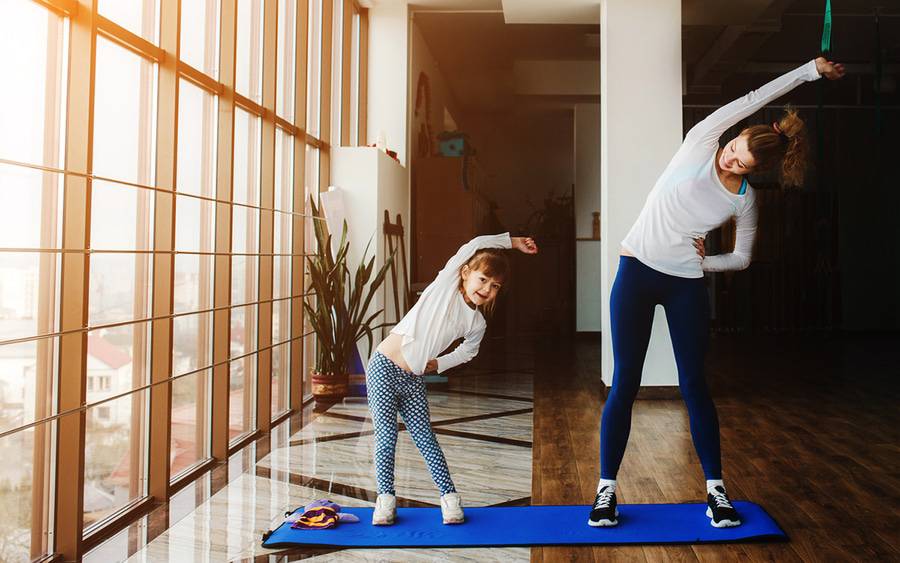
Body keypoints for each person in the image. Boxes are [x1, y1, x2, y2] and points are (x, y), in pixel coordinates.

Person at [589, 57, 845, 529]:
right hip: (637, 272)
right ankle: (606, 492)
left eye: (740, 163)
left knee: (695, 386)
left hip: (685, 285)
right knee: (625, 381)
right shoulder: (701, 141)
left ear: (753, 171)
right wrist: (809, 70)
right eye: (733, 148)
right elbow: (754, 99)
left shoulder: (744, 199)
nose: (729, 158)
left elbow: (743, 258)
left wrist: (703, 261)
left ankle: (716, 493)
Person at [367, 233, 539, 525]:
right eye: (483, 279)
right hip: (384, 367)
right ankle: (385, 499)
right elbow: (473, 245)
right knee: (386, 438)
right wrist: (513, 242)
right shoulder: (443, 288)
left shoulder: (476, 322)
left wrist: (439, 363)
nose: (487, 289)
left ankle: (449, 498)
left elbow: (468, 352)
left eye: (495, 286)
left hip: (413, 378)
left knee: (426, 439)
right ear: (465, 273)